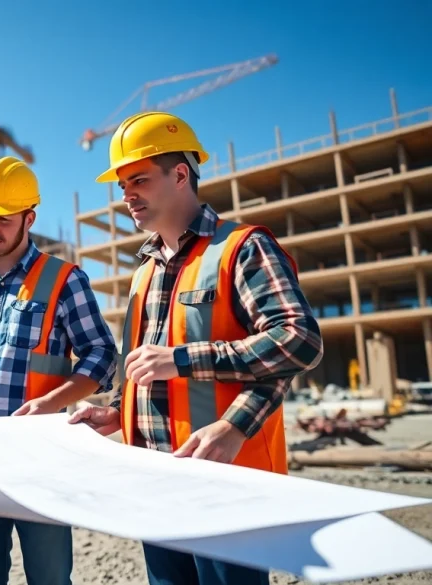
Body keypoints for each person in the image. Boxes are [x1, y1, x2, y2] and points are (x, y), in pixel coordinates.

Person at [69, 111, 324, 585]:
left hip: (225, 477)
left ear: (181, 175)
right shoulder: (144, 270)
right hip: (153, 480)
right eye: (122, 185)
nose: (127, 196)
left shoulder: (243, 248)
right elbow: (147, 371)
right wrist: (118, 411)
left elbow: (298, 341)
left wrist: (226, 419)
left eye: (139, 179)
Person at [0, 156, 117, 585]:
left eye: (3, 219)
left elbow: (102, 355)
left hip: (41, 458)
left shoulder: (64, 279)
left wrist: (51, 403)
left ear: (29, 218)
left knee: (49, 576)